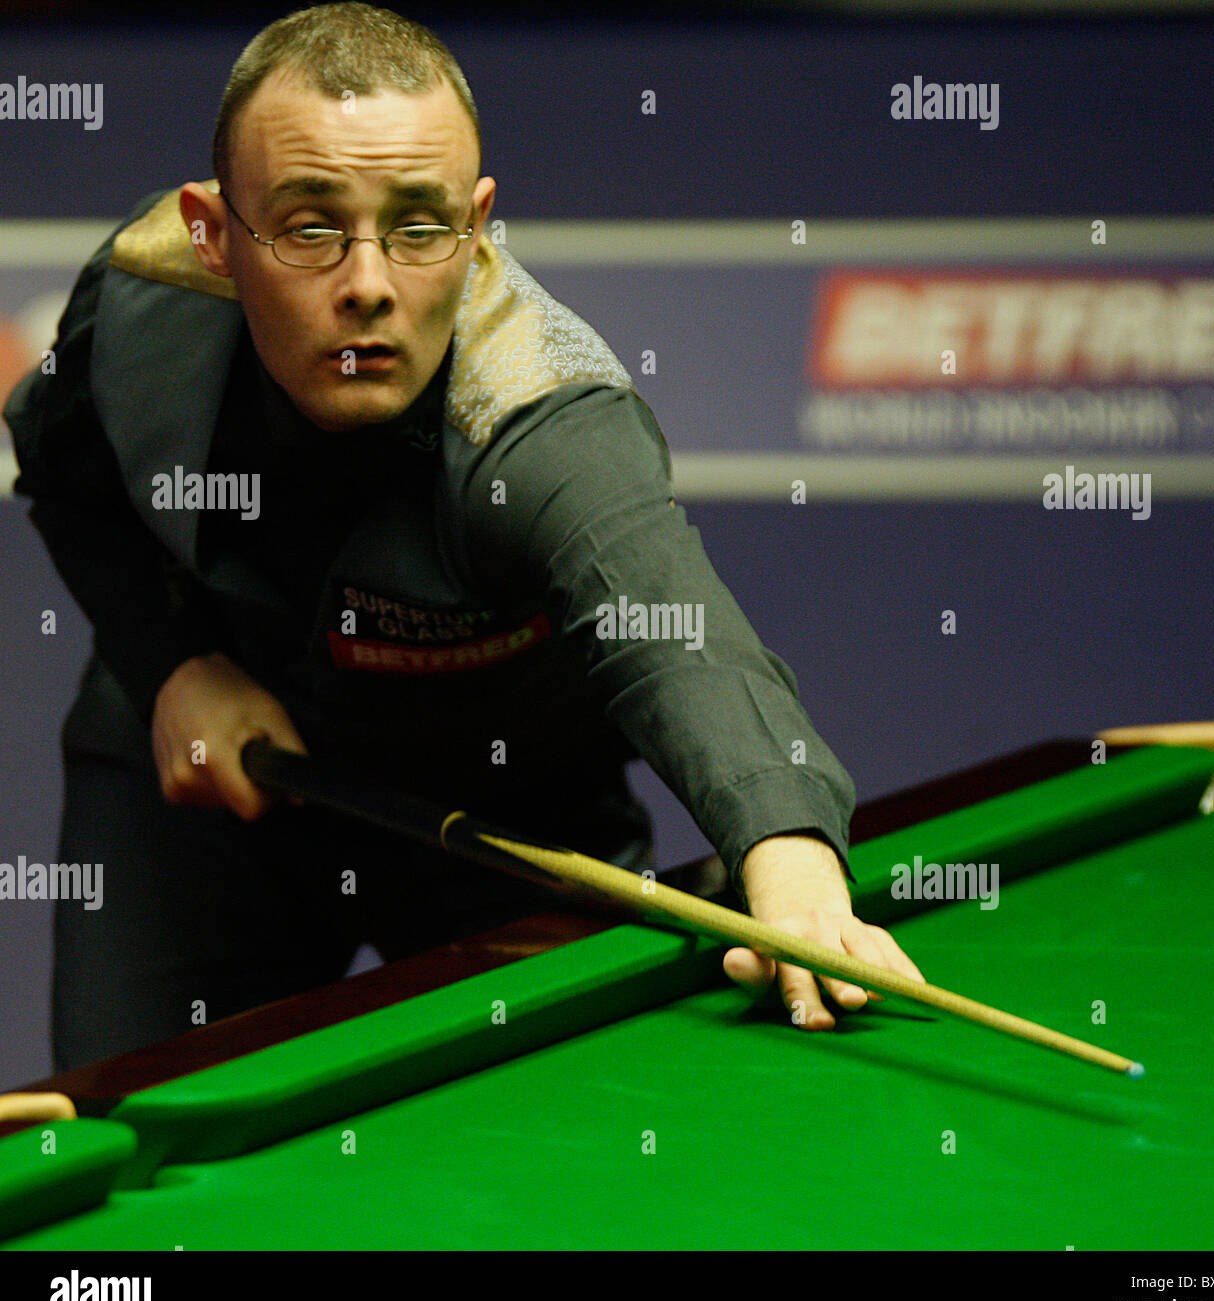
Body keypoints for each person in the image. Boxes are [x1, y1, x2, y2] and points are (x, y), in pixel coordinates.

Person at [5, 2, 923, 1070]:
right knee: (128, 1142)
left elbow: (676, 635)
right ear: (214, 235)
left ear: (477, 222)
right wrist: (172, 666)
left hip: (502, 820)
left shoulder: (537, 417)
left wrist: (793, 865)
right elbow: (68, 472)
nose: (368, 284)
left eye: (419, 224)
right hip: (207, 786)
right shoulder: (139, 300)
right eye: (308, 226)